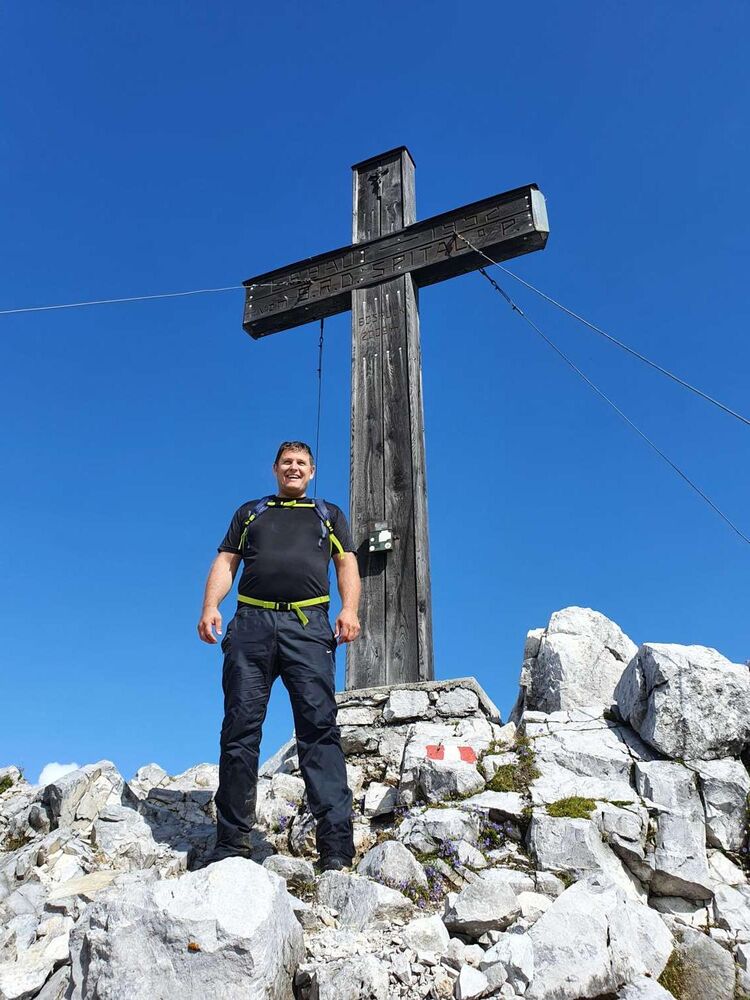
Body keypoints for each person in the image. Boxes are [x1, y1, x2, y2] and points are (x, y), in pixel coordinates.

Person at [197, 441, 361, 871]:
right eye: (287, 462)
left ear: (312, 472)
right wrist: (211, 606)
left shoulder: (327, 514)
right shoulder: (251, 512)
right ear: (275, 469)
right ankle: (231, 843)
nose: (294, 468)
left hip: (308, 627)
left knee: (319, 730)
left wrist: (349, 609)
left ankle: (336, 849)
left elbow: (347, 564)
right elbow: (226, 562)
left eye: (301, 463)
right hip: (251, 624)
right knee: (240, 729)